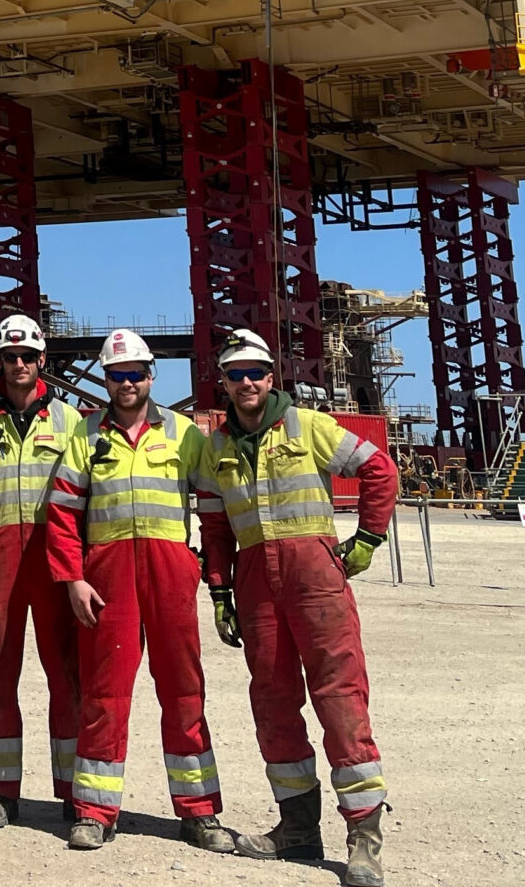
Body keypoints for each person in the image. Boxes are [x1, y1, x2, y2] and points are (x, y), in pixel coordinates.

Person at [193, 330, 398, 887]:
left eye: (254, 372)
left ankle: (363, 839)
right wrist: (220, 591)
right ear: (224, 382)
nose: (246, 383)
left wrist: (367, 539)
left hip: (314, 574)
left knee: (339, 694)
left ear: (270, 377)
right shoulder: (216, 447)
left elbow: (380, 470)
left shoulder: (307, 426)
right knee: (273, 700)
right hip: (256, 579)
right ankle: (298, 829)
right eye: (235, 374)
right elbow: (214, 527)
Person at [43, 329, 237, 854]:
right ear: (105, 380)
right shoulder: (86, 434)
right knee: (104, 692)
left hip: (170, 570)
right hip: (107, 576)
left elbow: (214, 509)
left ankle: (199, 811)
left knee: (183, 689)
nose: (126, 383)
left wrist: (210, 573)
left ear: (151, 375)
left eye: (134, 374)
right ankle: (94, 810)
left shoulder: (184, 433)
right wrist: (73, 578)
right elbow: (62, 513)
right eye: (116, 375)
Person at [0, 312, 80, 826]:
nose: (20, 364)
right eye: (11, 357)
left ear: (42, 359)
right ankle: (0, 792)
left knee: (66, 675)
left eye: (28, 356)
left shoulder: (70, 422)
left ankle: (74, 790)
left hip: (53, 558)